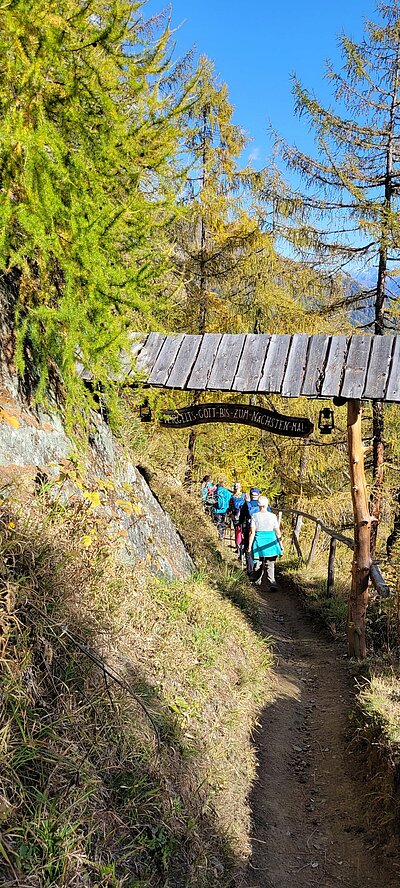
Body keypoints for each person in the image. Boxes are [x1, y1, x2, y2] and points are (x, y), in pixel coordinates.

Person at [247, 495, 283, 590]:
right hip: (271, 543)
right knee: (270, 564)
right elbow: (277, 531)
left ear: (258, 505)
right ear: (267, 505)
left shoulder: (254, 516)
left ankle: (256, 581)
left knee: (258, 563)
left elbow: (252, 533)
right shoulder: (273, 516)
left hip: (259, 543)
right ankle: (272, 583)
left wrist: (250, 546)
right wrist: (281, 544)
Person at [239, 487, 261, 576]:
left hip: (249, 529)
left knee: (249, 548)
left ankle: (250, 570)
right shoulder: (263, 505)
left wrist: (240, 526)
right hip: (261, 531)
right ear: (259, 495)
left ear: (250, 495)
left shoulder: (246, 505)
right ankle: (261, 569)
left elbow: (241, 518)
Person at [228, 482, 246, 556]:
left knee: (237, 531)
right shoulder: (244, 496)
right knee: (243, 532)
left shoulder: (232, 497)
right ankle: (242, 548)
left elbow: (230, 507)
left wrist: (231, 515)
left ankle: (238, 547)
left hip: (235, 517)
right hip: (243, 516)